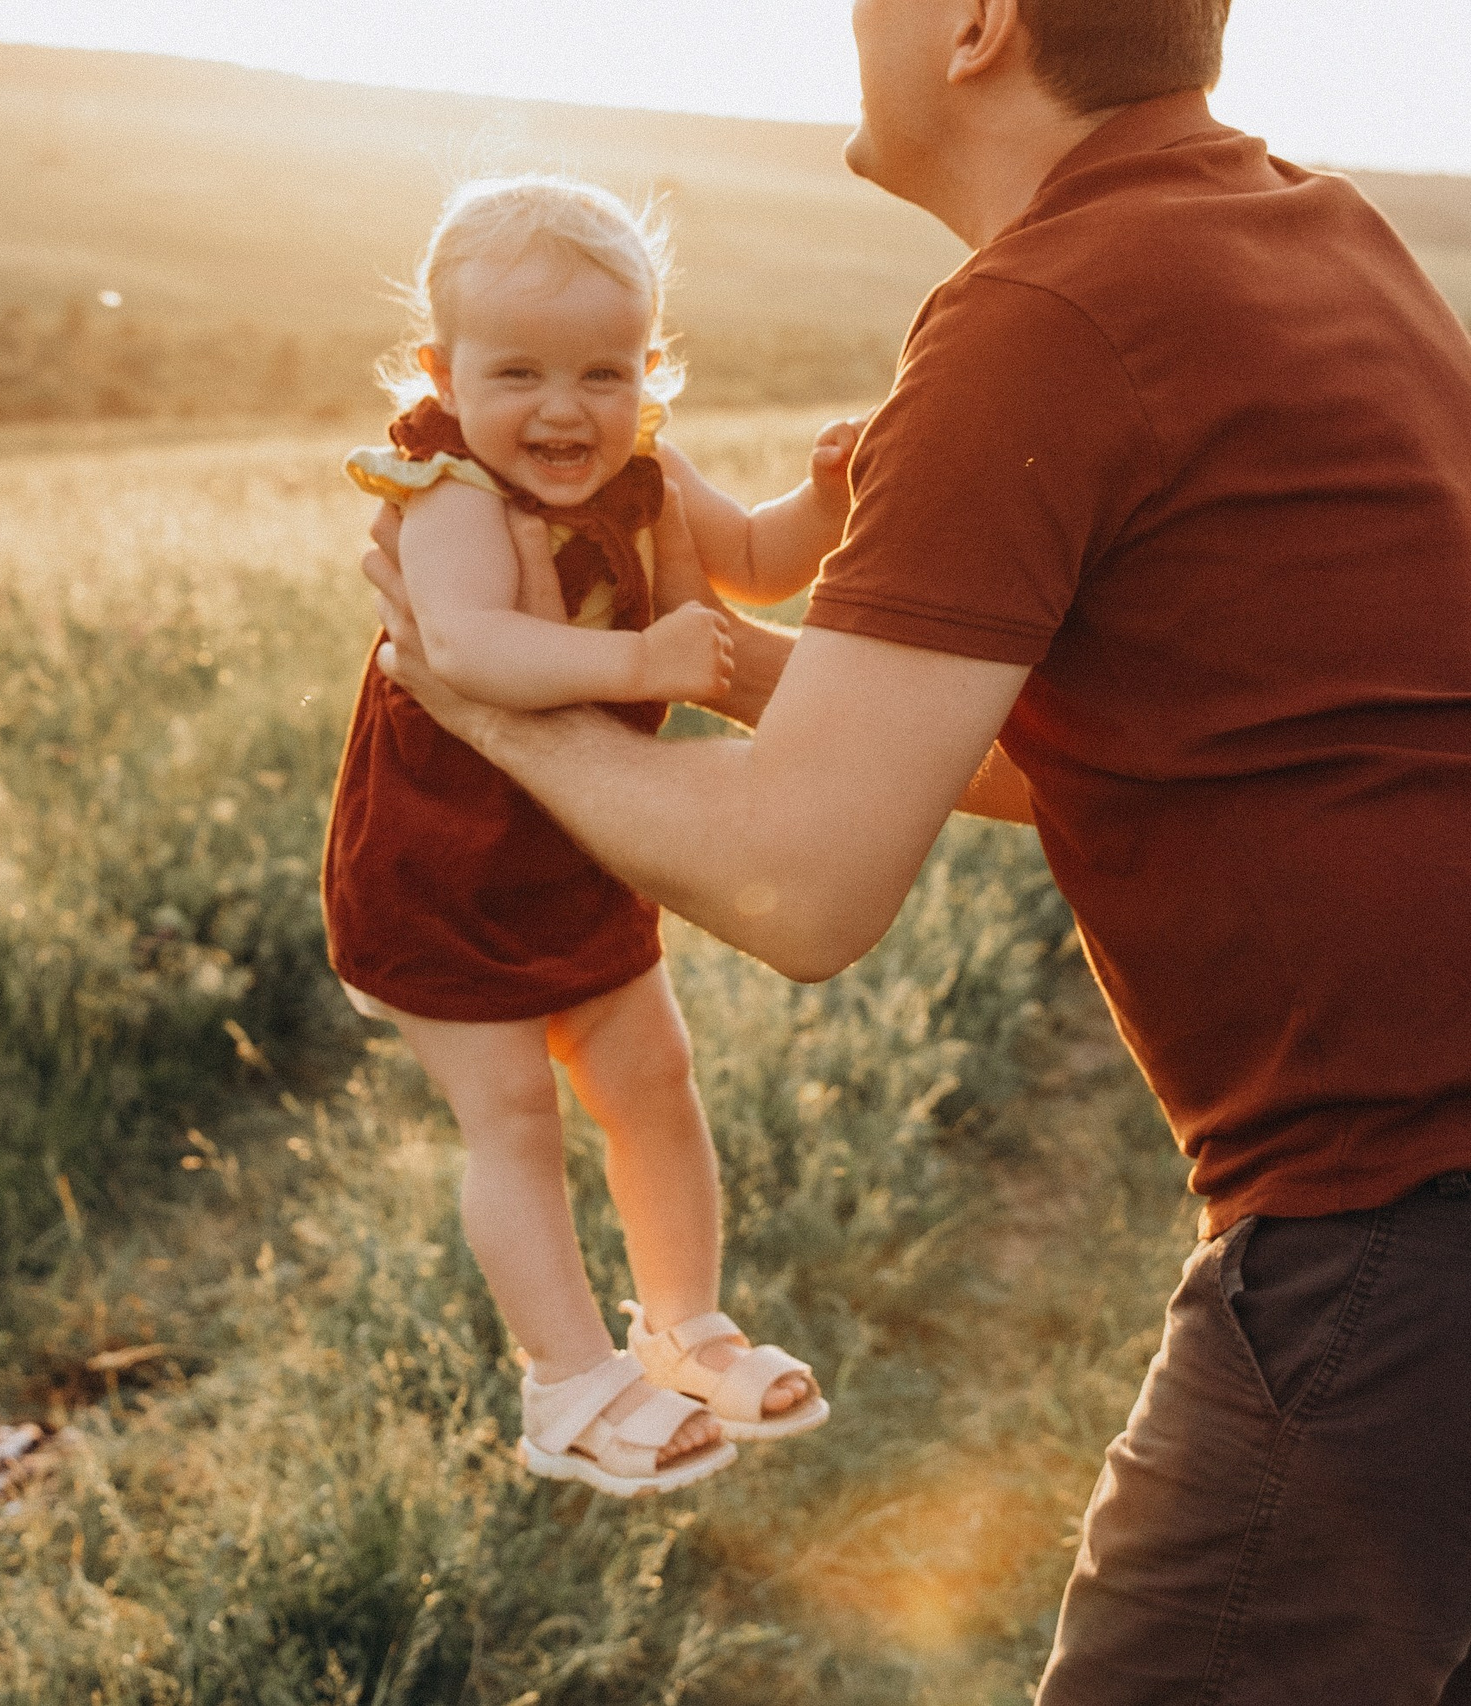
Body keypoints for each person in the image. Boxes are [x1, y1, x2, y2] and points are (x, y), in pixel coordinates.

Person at [361, 0, 1471, 1697]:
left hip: (1393, 1213)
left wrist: (481, 705)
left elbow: (802, 891)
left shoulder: (1043, 312)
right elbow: (1155, 751)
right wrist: (735, 672)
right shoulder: (1316, 234)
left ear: (977, 23)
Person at [325, 174, 854, 1499]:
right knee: (512, 1111)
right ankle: (565, 1384)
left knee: (654, 1082)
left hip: (578, 844)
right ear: (445, 373)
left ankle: (683, 1327)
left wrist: (830, 500)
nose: (564, 410)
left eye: (603, 372)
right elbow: (464, 644)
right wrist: (641, 668)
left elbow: (754, 561)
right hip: (437, 864)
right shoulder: (447, 488)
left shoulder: (645, 468)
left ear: (646, 371)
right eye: (518, 373)